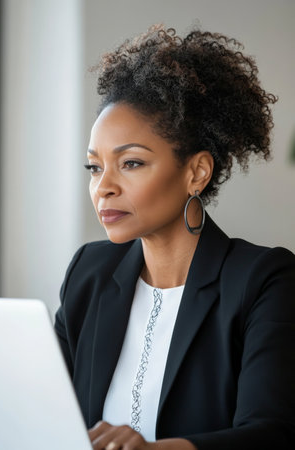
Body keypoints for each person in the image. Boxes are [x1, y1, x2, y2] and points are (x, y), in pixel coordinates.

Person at [54, 24, 295, 450]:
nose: (103, 186)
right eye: (94, 167)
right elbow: (46, 415)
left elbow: (271, 434)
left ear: (196, 172)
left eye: (130, 163)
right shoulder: (88, 273)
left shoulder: (263, 280)